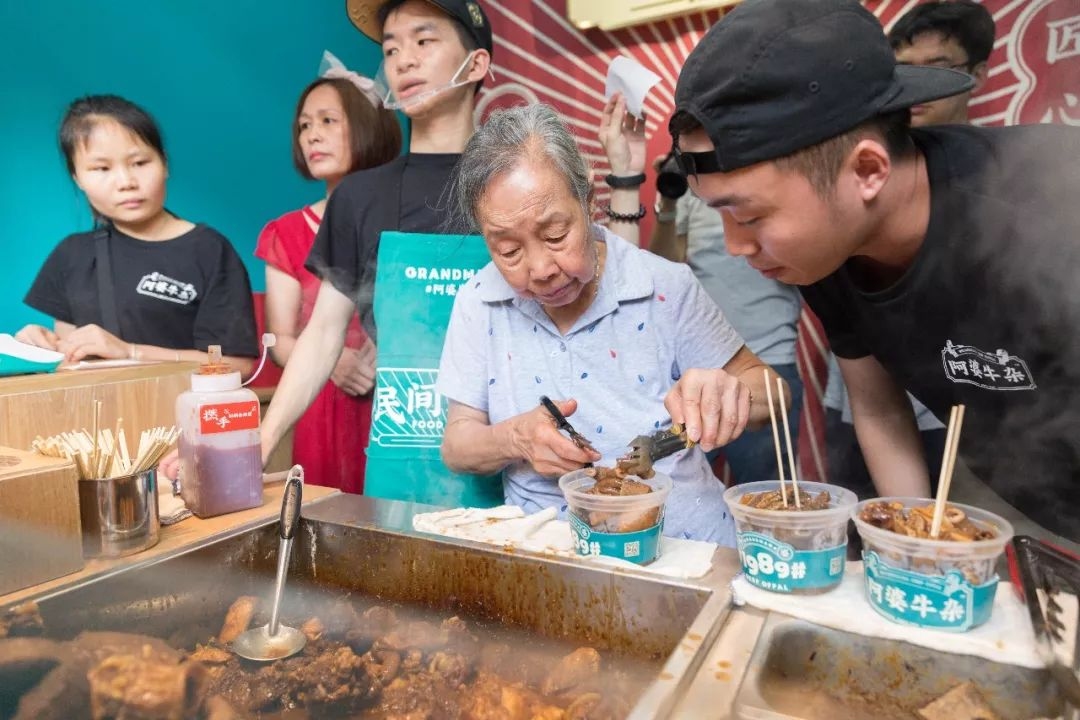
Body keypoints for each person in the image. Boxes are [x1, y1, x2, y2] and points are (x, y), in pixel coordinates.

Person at [668, 0, 1080, 539]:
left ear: (867, 169)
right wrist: (915, 541)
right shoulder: (826, 254)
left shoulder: (1041, 211)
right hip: (1026, 504)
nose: (736, 245)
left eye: (749, 215)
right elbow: (880, 409)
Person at [436, 103, 788, 543]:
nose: (541, 268)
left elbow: (773, 391)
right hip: (548, 554)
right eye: (508, 251)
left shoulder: (663, 285)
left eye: (555, 235)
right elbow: (457, 444)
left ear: (588, 202)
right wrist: (516, 439)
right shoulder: (477, 302)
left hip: (683, 547)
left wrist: (729, 392)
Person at [257, 0, 494, 470]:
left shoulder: (514, 181)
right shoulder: (360, 197)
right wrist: (261, 444)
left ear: (476, 63)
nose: (403, 60)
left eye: (424, 41)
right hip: (401, 455)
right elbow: (323, 333)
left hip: (506, 455)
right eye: (391, 49)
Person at [824, 0, 995, 498]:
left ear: (976, 73)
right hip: (865, 399)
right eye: (904, 68)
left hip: (964, 408)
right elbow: (872, 400)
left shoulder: (994, 182)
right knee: (877, 528)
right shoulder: (840, 201)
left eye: (936, 67)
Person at [598, 92, 804, 485]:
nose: (735, 240)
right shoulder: (697, 191)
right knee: (683, 493)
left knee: (766, 500)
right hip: (696, 371)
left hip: (767, 360)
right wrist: (670, 201)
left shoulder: (778, 185)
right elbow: (664, 269)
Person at [16, 95, 257, 371]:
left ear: (164, 163)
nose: (126, 182)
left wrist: (129, 352)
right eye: (101, 168)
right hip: (97, 413)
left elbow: (236, 364)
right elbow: (70, 363)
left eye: (140, 163)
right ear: (77, 178)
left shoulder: (209, 250)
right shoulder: (71, 255)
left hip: (179, 411)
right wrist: (43, 346)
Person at [254, 64, 402, 492]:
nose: (311, 135)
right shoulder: (285, 232)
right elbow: (279, 339)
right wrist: (335, 361)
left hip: (396, 400)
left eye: (327, 121)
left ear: (368, 125)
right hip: (319, 403)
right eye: (304, 126)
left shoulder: (404, 220)